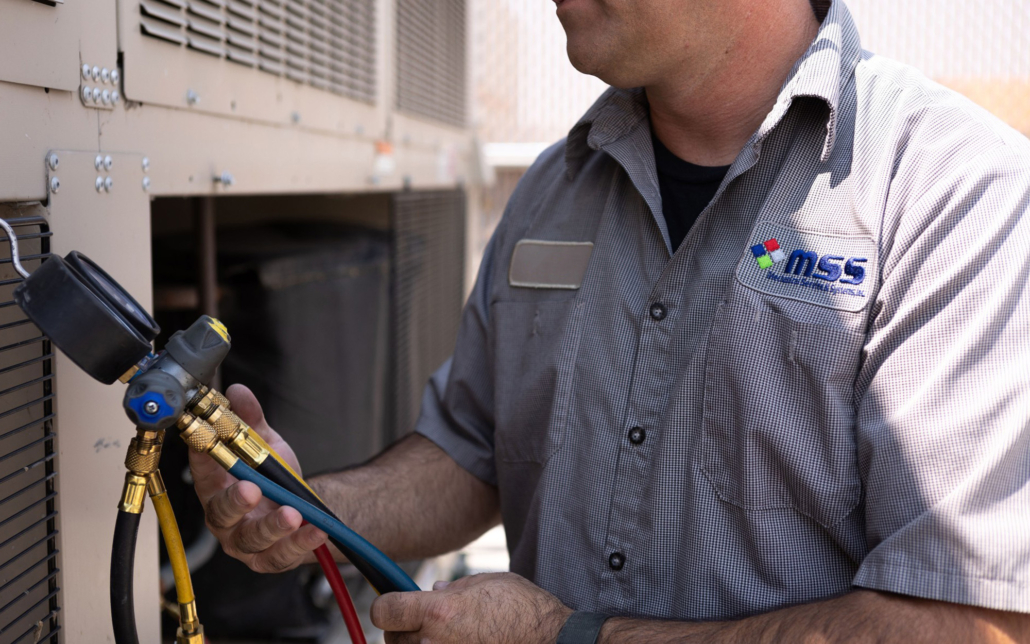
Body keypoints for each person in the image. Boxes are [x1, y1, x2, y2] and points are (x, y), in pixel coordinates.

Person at [190, 0, 1030, 641]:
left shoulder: (955, 197)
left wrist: (566, 637)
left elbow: (965, 625)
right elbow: (473, 454)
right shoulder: (555, 188)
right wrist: (307, 507)